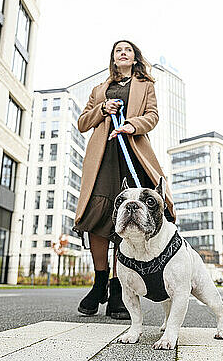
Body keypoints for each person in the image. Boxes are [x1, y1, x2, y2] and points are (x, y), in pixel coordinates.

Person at [73, 40, 176, 319]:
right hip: (103, 158)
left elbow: (152, 116)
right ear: (113, 57)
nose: (123, 52)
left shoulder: (145, 85)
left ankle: (117, 289)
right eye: (118, 50)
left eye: (128, 50)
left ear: (134, 57)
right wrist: (102, 109)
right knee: (97, 217)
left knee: (127, 218)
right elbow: (83, 123)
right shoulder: (99, 90)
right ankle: (99, 283)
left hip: (132, 155)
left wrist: (133, 124)